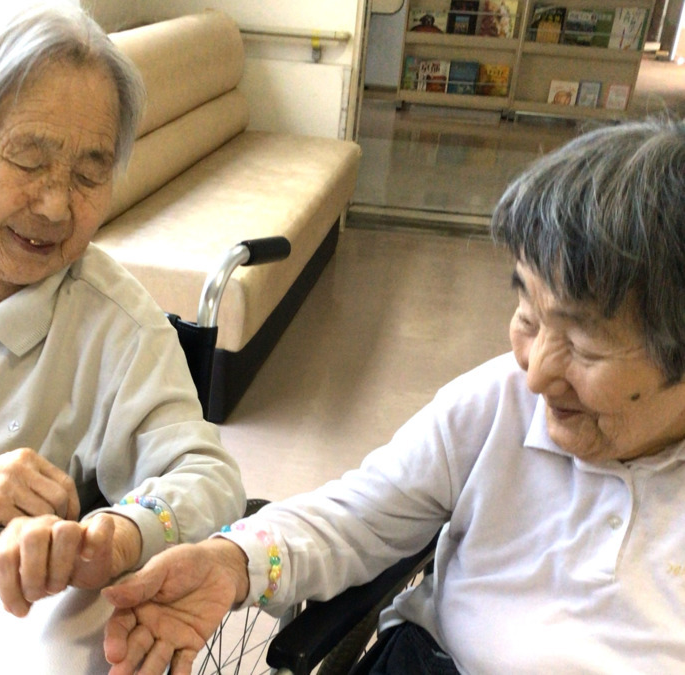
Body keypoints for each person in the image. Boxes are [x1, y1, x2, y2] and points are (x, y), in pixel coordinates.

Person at [99, 117, 685, 675]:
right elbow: (358, 517)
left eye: (584, 346)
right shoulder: (496, 402)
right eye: (528, 315)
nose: (535, 375)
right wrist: (232, 562)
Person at [0, 3, 244, 619]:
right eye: (29, 159)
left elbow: (209, 478)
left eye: (89, 176)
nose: (55, 207)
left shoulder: (117, 328)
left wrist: (119, 534)